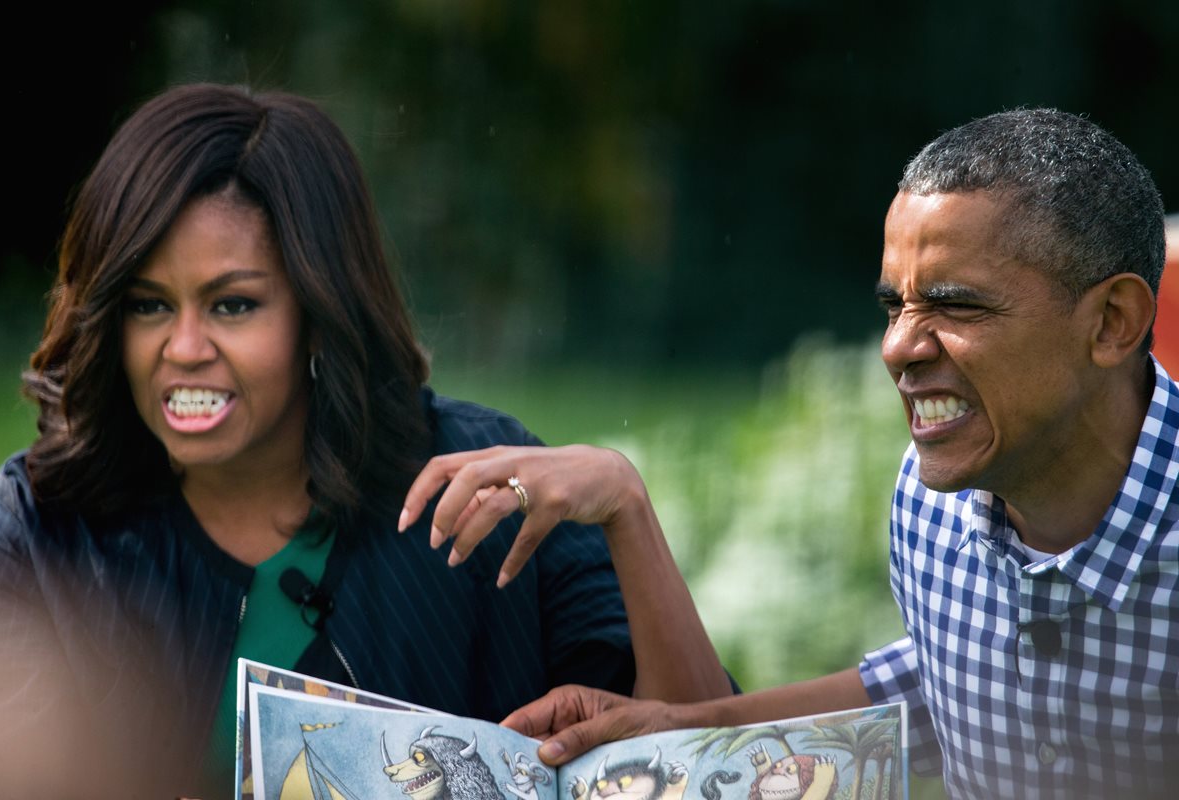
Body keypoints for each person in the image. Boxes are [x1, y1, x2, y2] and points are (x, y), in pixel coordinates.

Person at [0, 83, 732, 799]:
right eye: (148, 306)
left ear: (318, 307)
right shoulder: (33, 534)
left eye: (233, 305)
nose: (183, 347)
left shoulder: (485, 497)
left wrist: (627, 506)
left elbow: (708, 766)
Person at [404, 109, 1179, 799]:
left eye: (954, 304)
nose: (898, 348)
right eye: (894, 305)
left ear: (1112, 322)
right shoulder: (928, 500)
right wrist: (687, 722)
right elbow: (947, 682)